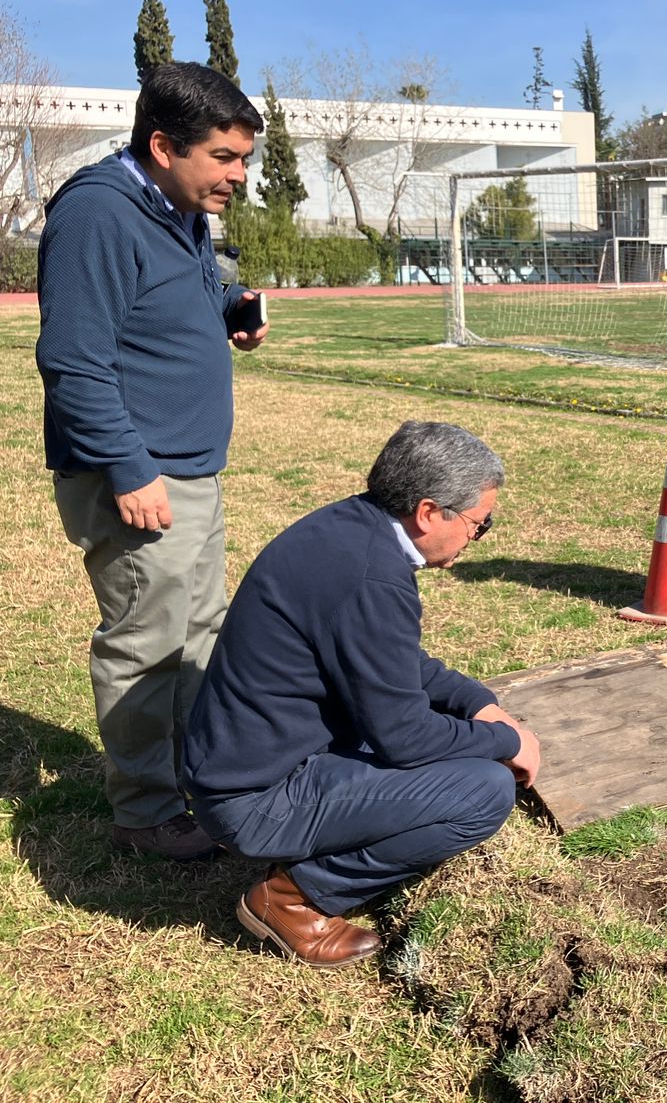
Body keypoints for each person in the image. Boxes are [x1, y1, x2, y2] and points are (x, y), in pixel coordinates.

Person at [183, 421, 541, 969]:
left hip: (240, 768)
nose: (477, 536)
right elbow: (404, 737)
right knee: (483, 790)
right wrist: (502, 741)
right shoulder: (372, 577)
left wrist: (474, 701)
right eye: (479, 523)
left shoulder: (348, 529)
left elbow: (392, 662)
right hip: (256, 800)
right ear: (428, 511)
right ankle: (293, 899)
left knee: (459, 757)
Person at [36, 62, 267, 861]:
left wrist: (228, 312)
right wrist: (129, 469)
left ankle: (187, 782)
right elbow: (73, 361)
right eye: (225, 158)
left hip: (190, 471)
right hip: (140, 477)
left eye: (244, 159)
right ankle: (144, 813)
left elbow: (165, 304)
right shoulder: (100, 214)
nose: (238, 176)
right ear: (164, 145)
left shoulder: (179, 207)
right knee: (145, 641)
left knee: (196, 633)